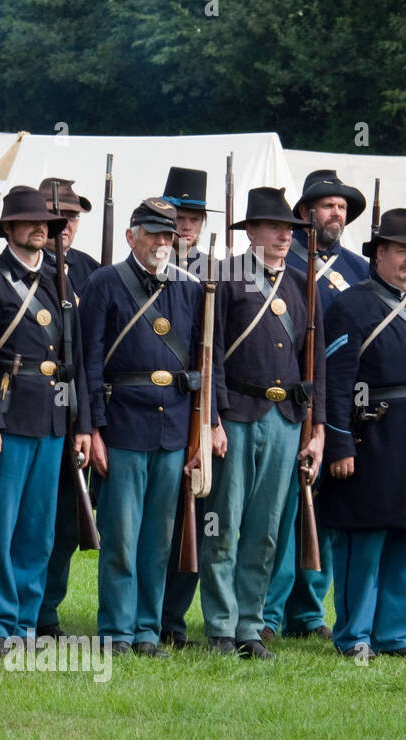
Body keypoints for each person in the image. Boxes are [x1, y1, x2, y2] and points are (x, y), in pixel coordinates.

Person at [81, 198, 219, 656]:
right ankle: (117, 631)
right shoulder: (104, 283)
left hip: (174, 426)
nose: (163, 242)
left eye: (168, 235)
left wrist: (204, 429)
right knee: (121, 536)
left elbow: (205, 361)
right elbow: (89, 364)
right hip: (122, 423)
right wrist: (95, 429)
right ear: (131, 236)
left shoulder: (191, 290)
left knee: (158, 537)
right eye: (154, 234)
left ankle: (145, 629)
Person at [0, 185, 90, 655]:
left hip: (54, 419)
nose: (42, 229)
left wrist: (83, 426)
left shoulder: (61, 282)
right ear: (9, 229)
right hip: (8, 420)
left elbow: (77, 361)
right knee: (0, 527)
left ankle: (27, 625)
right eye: (31, 222)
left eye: (47, 224)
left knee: (39, 530)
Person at [200, 187, 325, 660]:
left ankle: (251, 625)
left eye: (288, 229)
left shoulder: (301, 284)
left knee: (266, 530)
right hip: (235, 415)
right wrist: (211, 419)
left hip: (285, 418)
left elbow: (315, 366)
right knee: (222, 525)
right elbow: (208, 356)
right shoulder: (225, 279)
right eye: (273, 227)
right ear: (250, 230)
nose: (282, 236)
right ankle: (220, 625)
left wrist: (317, 430)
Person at [263, 171, 370, 642]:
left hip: (338, 400)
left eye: (342, 207)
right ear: (306, 212)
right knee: (281, 511)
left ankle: (308, 615)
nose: (337, 214)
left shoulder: (358, 268)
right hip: (289, 396)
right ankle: (267, 614)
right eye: (328, 205)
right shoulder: (285, 261)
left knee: (322, 513)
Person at [319, 208, 406, 657]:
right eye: (400, 250)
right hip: (370, 437)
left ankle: (394, 634)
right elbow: (336, 383)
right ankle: (354, 635)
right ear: (378, 255)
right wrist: (338, 442)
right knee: (365, 538)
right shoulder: (352, 305)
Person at [34, 177, 100, 639]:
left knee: (66, 519)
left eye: (73, 216)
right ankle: (20, 611)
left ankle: (47, 611)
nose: (66, 224)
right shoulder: (21, 268)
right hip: (32, 409)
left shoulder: (92, 272)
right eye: (59, 215)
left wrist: (91, 422)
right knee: (29, 518)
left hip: (78, 413)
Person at [157, 166, 220, 647]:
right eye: (179, 215)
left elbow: (218, 356)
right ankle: (142, 616)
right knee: (154, 519)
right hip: (151, 409)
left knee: (193, 516)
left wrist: (213, 418)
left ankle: (173, 620)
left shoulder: (218, 275)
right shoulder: (142, 266)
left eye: (194, 217)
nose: (185, 225)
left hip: (199, 408)